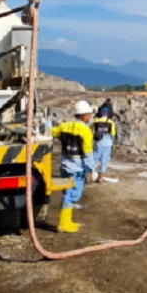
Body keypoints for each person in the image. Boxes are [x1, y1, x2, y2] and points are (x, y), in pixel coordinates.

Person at [51, 100, 95, 233]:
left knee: (67, 193)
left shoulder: (64, 126)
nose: (90, 117)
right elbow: (88, 153)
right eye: (89, 114)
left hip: (64, 166)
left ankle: (68, 221)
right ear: (84, 115)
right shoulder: (85, 131)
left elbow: (52, 132)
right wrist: (92, 169)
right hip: (76, 169)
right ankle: (64, 224)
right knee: (72, 195)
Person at [91, 106, 116, 183]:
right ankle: (100, 178)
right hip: (107, 143)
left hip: (98, 143)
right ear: (107, 114)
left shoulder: (96, 121)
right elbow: (113, 133)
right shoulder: (111, 122)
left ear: (101, 113)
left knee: (94, 159)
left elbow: (90, 129)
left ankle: (89, 175)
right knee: (104, 160)